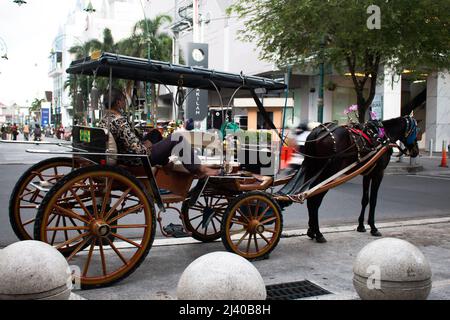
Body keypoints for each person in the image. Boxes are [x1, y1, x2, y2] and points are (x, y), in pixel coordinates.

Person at [98, 88, 219, 177]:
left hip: (127, 153)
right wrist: (147, 145)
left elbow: (134, 136)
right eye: (123, 100)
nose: (125, 103)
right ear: (119, 102)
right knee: (177, 138)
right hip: (138, 159)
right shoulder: (119, 121)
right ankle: (200, 169)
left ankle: (166, 163)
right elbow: (138, 150)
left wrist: (147, 139)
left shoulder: (105, 119)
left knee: (155, 133)